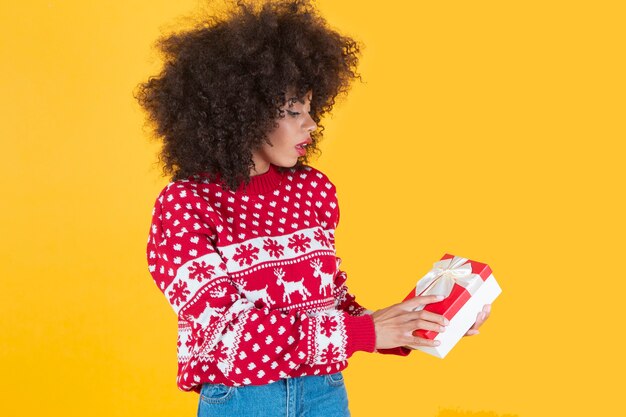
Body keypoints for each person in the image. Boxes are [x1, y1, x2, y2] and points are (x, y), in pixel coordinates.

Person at [135, 1, 491, 416]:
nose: (311, 125)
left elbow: (333, 305)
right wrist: (364, 332)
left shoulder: (312, 190)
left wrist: (421, 324)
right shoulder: (186, 205)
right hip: (247, 399)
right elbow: (222, 331)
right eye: (292, 112)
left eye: (310, 109)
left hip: (325, 390)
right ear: (240, 113)